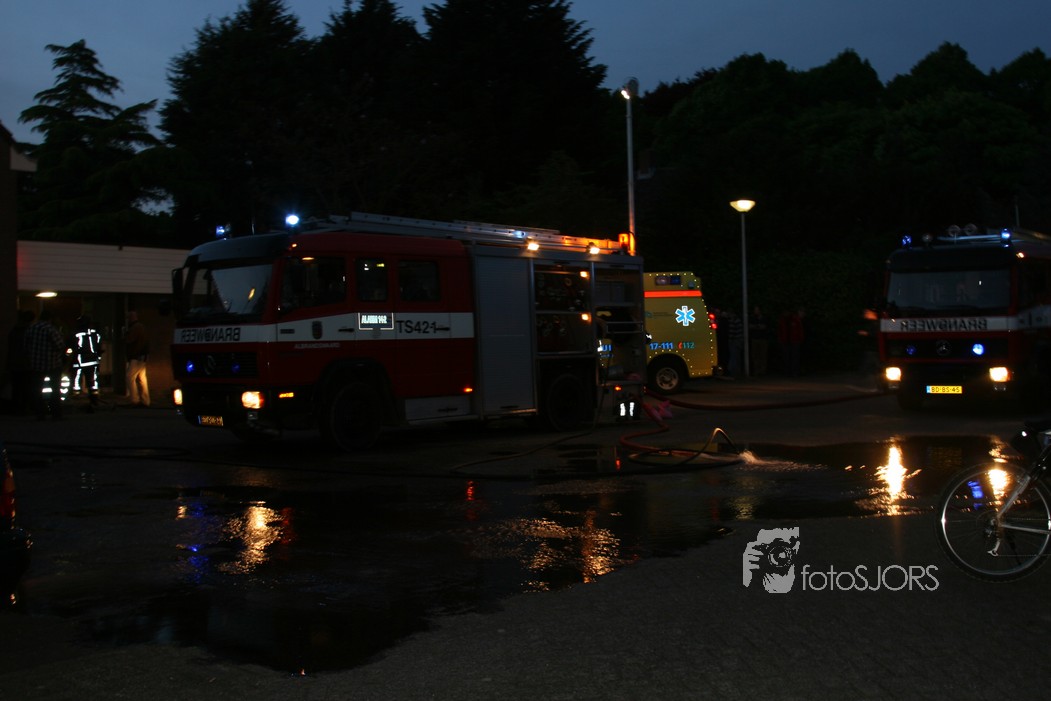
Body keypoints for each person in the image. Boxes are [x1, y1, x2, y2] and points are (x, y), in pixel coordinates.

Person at [24, 308, 67, 420]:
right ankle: (55, 413)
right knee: (55, 389)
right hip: (52, 364)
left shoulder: (31, 328)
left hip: (35, 364)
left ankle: (40, 413)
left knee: (37, 390)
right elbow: (60, 345)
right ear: (50, 318)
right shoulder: (51, 329)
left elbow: (25, 346)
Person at [5, 310, 35, 415]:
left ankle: (16, 408)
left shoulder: (14, 331)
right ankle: (24, 408)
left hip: (14, 363)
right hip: (25, 363)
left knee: (16, 388)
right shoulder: (29, 331)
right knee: (26, 387)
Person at [71, 315, 103, 412]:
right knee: (92, 381)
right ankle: (94, 398)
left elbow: (72, 346)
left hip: (79, 361)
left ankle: (76, 397)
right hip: (92, 360)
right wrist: (98, 357)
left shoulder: (76, 333)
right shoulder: (94, 333)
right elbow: (98, 346)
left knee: (77, 379)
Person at [124, 310, 150, 407]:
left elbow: (129, 340)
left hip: (137, 356)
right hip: (142, 356)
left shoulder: (135, 328)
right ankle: (145, 400)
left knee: (129, 377)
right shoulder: (141, 327)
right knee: (142, 378)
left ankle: (134, 399)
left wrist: (125, 335)